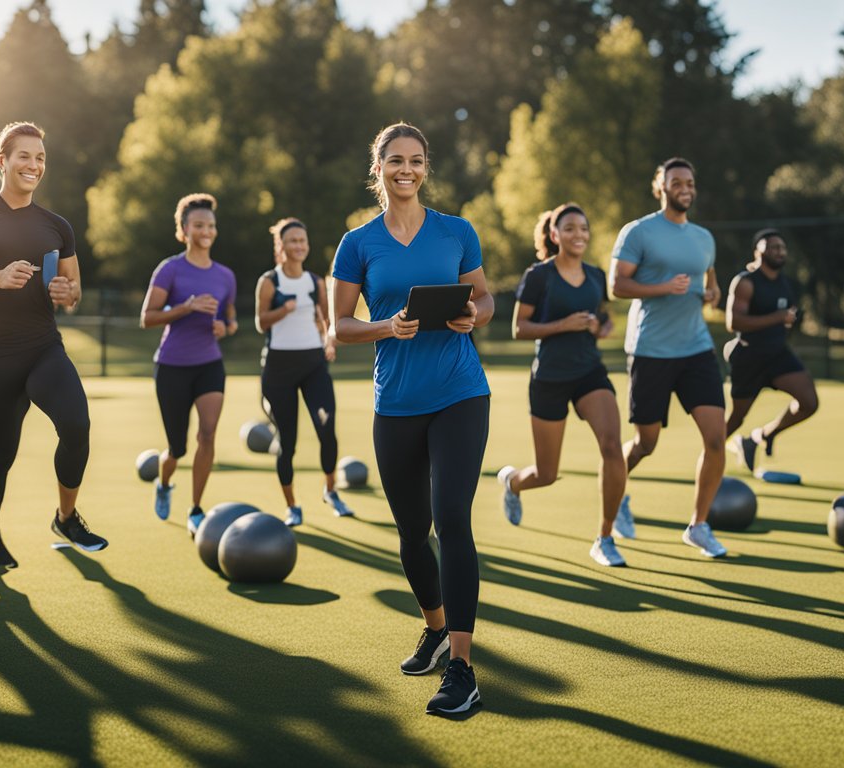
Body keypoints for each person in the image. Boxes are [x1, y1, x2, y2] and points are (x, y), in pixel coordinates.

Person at [332, 122, 493, 716]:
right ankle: (435, 628)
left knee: (452, 519)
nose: (407, 169)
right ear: (378, 168)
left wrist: (473, 316)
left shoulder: (457, 232)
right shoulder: (357, 243)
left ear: (426, 168)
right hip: (396, 403)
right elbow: (339, 326)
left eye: (417, 160)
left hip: (460, 392)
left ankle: (462, 667)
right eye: (396, 160)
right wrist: (386, 326)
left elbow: (485, 298)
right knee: (410, 532)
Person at [0, 121, 108, 569]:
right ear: (3, 160)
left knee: (76, 424)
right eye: (24, 156)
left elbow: (74, 289)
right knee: (2, 456)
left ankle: (66, 518)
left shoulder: (57, 226)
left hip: (42, 346)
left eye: (40, 158)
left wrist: (67, 293)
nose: (34, 165)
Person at [497, 204, 631, 567]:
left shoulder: (596, 275)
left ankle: (605, 538)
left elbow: (603, 318)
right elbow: (519, 328)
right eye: (570, 228)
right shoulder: (539, 276)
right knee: (546, 474)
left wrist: (600, 327)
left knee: (612, 447)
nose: (578, 235)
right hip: (550, 378)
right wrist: (563, 326)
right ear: (555, 235)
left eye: (583, 228)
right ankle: (513, 483)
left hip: (589, 373)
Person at [608, 157, 728, 558]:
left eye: (689, 182)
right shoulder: (638, 231)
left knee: (716, 438)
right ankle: (617, 494)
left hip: (696, 349)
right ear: (660, 186)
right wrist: (662, 288)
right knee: (646, 443)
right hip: (651, 351)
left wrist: (712, 294)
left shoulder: (704, 237)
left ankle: (699, 525)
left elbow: (710, 282)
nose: (684, 188)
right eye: (676, 182)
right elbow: (616, 286)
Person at [139, 193, 238, 535]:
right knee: (177, 448)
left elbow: (230, 319)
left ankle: (196, 508)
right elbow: (147, 318)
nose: (206, 231)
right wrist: (187, 307)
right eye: (198, 225)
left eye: (210, 225)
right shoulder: (170, 269)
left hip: (209, 364)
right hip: (172, 367)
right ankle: (165, 484)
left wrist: (225, 327)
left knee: (207, 434)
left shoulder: (225, 275)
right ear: (184, 229)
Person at [254, 217, 351, 527]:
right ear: (281, 246)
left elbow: (326, 319)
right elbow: (260, 323)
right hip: (279, 369)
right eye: (292, 241)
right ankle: (292, 506)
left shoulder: (315, 281)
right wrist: (282, 311)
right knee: (288, 442)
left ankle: (331, 491)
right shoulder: (270, 281)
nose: (298, 245)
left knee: (327, 430)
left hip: (314, 366)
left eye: (302, 240)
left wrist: (329, 341)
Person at [724, 229, 819, 472]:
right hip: (750, 357)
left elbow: (788, 319)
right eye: (773, 247)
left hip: (778, 355)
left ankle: (760, 436)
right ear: (758, 252)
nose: (779, 251)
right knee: (736, 418)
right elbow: (734, 322)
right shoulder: (745, 282)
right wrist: (777, 317)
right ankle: (709, 454)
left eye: (782, 247)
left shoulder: (786, 284)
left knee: (809, 402)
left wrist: (786, 322)